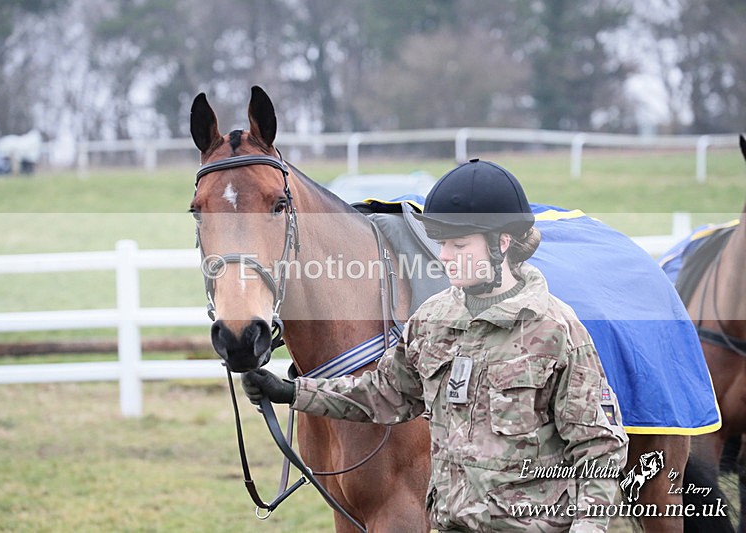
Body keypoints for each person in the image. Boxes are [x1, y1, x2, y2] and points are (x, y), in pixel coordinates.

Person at [242, 159, 629, 532]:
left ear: (501, 243)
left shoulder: (556, 330)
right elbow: (384, 394)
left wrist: (588, 527)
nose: (444, 257)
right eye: (442, 244)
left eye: (459, 245)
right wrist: (293, 392)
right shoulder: (431, 320)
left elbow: (599, 446)